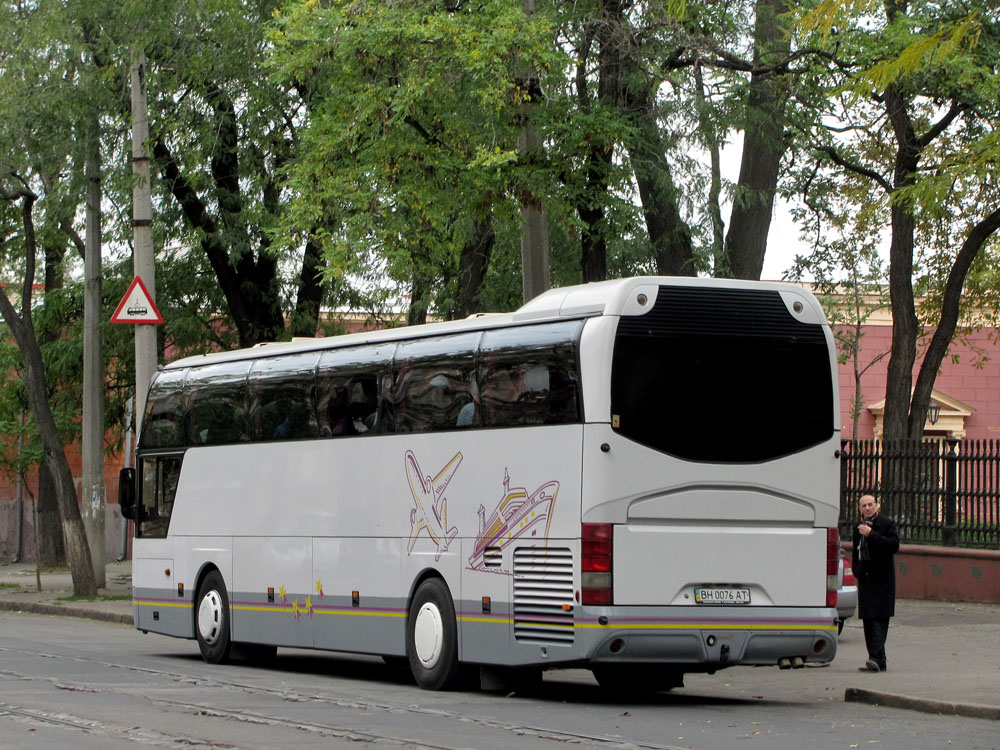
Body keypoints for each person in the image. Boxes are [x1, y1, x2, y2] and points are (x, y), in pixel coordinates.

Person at [852, 493, 900, 672]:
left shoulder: (887, 524)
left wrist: (872, 535)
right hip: (866, 579)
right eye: (864, 505)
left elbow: (893, 545)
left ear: (877, 506)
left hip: (882, 580)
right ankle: (880, 660)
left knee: (880, 619)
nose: (867, 508)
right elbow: (856, 551)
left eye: (870, 504)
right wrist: (857, 570)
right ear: (860, 509)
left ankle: (874, 657)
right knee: (869, 620)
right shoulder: (859, 528)